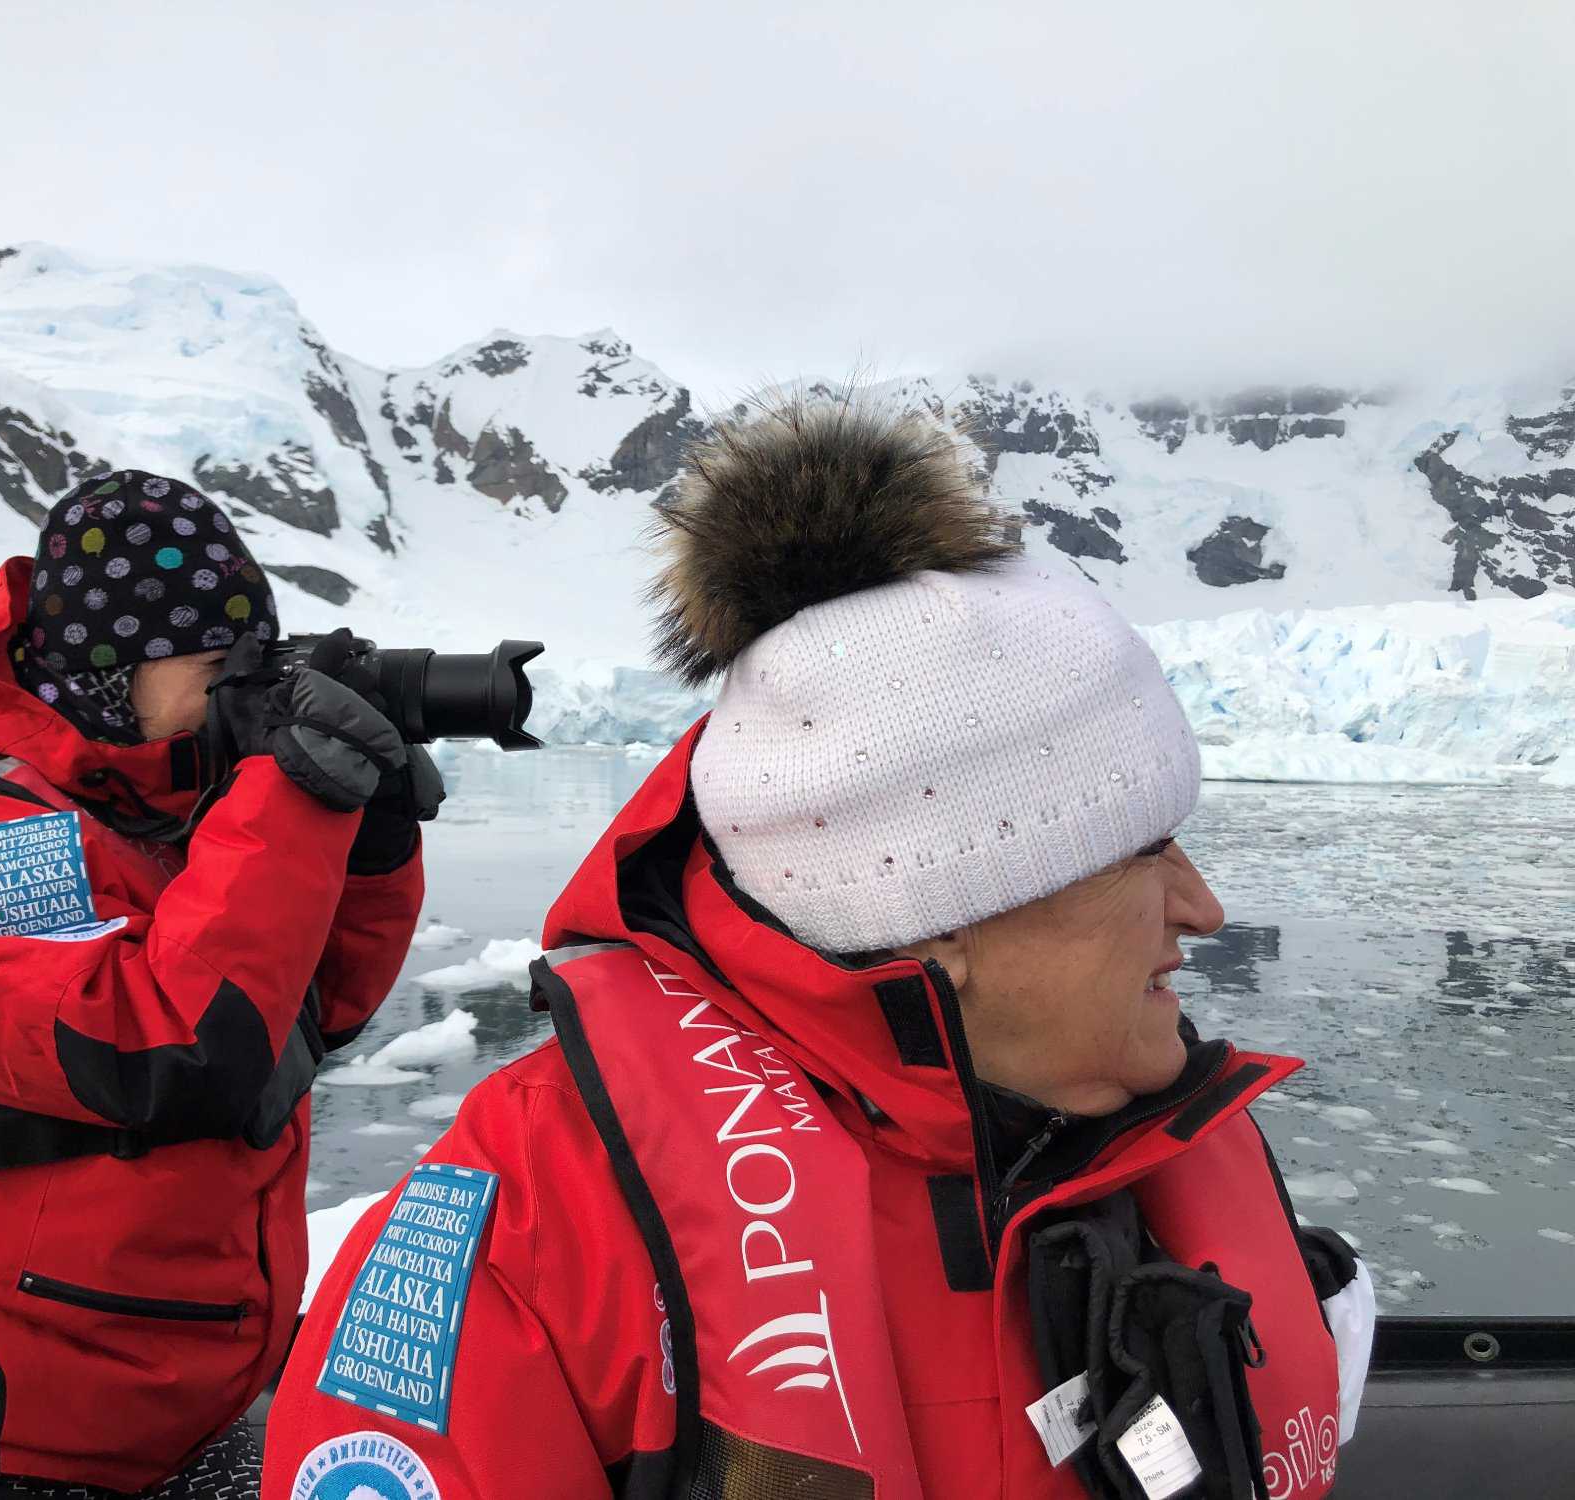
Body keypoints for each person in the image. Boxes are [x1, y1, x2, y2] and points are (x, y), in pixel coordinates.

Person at [264, 402, 1375, 1499]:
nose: (1204, 908)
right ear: (941, 911)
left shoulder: (1148, 1132)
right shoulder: (531, 1239)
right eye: (1141, 853)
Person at [0, 469, 433, 1497]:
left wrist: (369, 836)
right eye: (215, 666)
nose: (241, 695)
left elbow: (307, 1015)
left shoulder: (156, 810)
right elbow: (170, 1051)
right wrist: (290, 799)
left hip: (147, 1409)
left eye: (255, 663)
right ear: (109, 671)